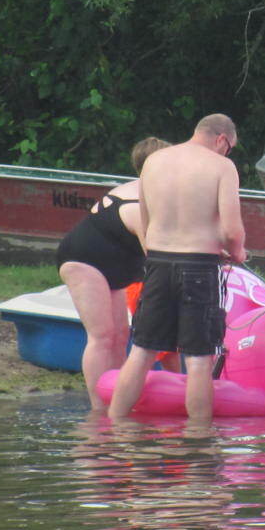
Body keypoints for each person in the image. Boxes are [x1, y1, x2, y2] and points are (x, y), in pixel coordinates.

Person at [108, 113, 246, 424]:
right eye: (230, 147)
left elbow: (146, 220)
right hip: (198, 266)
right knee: (198, 359)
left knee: (142, 352)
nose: (228, 153)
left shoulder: (154, 161)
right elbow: (232, 231)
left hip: (157, 262)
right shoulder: (222, 167)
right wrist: (237, 252)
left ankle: (112, 429)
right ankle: (198, 442)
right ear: (222, 139)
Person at [57, 136, 170, 410]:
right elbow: (157, 255)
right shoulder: (136, 203)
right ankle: (99, 408)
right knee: (102, 335)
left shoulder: (156, 195)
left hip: (115, 269)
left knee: (121, 335)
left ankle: (118, 398)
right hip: (84, 261)